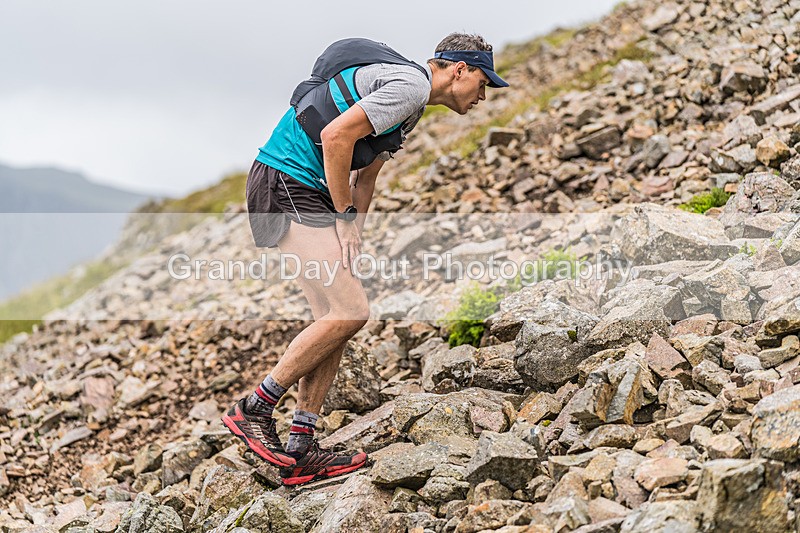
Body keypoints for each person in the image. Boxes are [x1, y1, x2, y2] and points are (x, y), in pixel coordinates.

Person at [223, 32, 509, 486]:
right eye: (483, 82)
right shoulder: (411, 86)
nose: (483, 96)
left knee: (330, 320)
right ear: (460, 69)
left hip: (300, 188)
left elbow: (365, 175)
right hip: (288, 182)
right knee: (351, 311)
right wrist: (342, 213)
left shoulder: (409, 109)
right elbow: (336, 137)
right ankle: (255, 408)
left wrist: (353, 228)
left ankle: (301, 448)